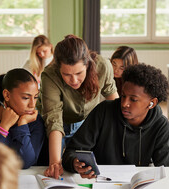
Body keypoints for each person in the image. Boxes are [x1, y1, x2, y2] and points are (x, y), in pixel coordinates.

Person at [62, 64, 169, 177]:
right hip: (100, 182)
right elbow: (71, 152)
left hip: (136, 185)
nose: (124, 104)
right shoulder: (103, 111)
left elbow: (166, 171)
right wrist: (74, 164)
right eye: (123, 96)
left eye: (133, 99)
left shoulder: (161, 126)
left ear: (152, 103)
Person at [40, 34, 119, 179]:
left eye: (79, 73)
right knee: (54, 169)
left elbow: (114, 104)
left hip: (86, 125)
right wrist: (55, 163)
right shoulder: (49, 76)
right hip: (59, 127)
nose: (74, 80)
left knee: (84, 170)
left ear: (87, 64)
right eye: (66, 74)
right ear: (58, 69)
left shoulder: (103, 66)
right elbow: (54, 120)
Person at [0, 68, 46, 169]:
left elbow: (26, 162)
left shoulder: (35, 121)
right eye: (26, 98)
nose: (32, 105)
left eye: (36, 97)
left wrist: (22, 124)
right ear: (6, 95)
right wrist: (4, 126)